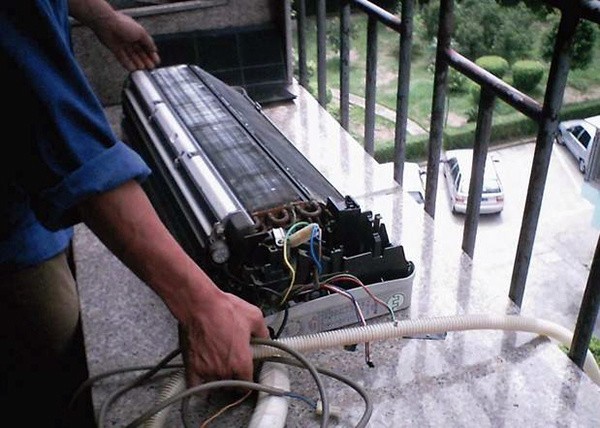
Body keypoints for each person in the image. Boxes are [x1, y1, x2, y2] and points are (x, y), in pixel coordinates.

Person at [0, 1, 269, 426]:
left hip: (26, 203)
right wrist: (202, 306)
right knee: (49, 352)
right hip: (10, 228)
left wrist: (102, 16)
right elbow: (67, 140)